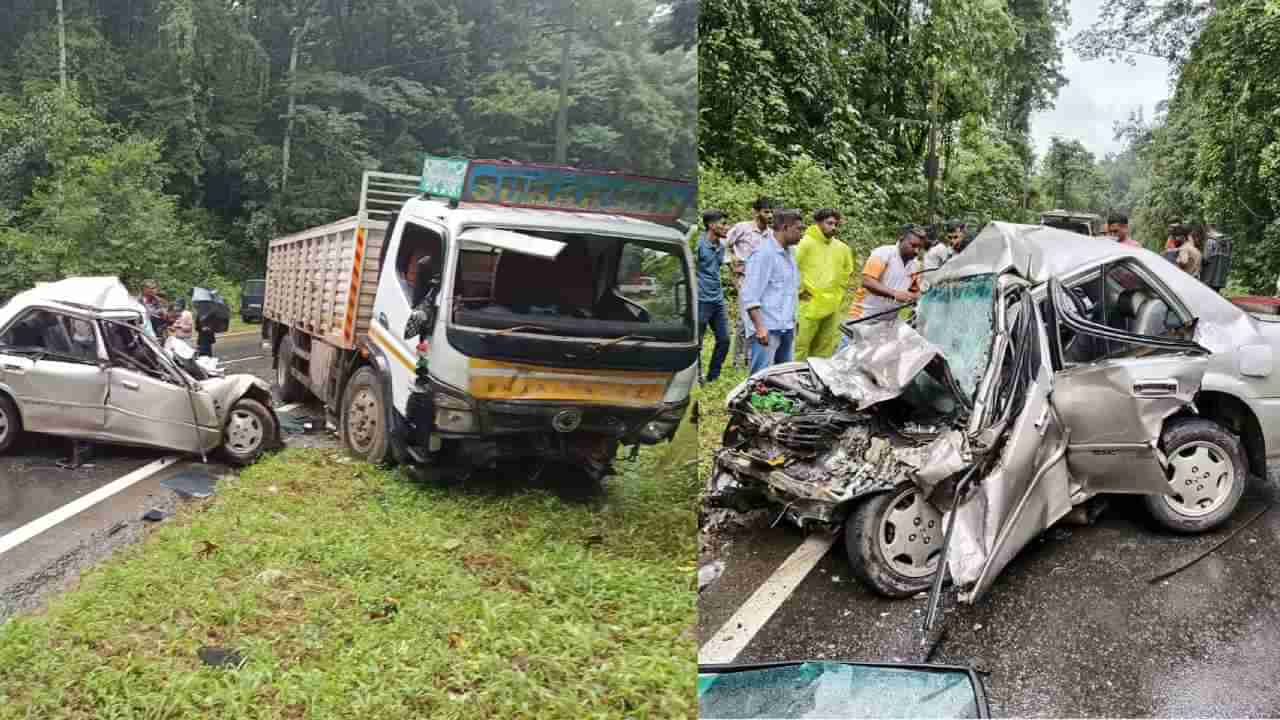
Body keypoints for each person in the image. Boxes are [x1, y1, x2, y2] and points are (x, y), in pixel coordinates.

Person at [741, 209, 803, 375]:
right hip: (767, 328)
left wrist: (794, 319)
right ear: (784, 227)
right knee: (761, 378)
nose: (801, 234)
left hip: (786, 327)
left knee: (784, 377)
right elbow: (749, 295)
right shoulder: (763, 254)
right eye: (798, 229)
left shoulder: (790, 253)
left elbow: (790, 290)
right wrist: (760, 327)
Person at [794, 208, 854, 361]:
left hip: (832, 306)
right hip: (808, 305)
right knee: (800, 347)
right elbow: (792, 267)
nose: (833, 227)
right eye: (829, 223)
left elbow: (847, 271)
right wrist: (800, 290)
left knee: (824, 349)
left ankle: (816, 380)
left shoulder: (842, 248)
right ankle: (791, 379)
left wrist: (839, 292)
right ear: (818, 223)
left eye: (835, 224)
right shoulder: (804, 243)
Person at [726, 197, 776, 367]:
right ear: (756, 212)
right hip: (744, 279)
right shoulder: (742, 228)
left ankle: (751, 357)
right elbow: (723, 242)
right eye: (766, 211)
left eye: (771, 212)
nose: (770, 215)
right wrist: (732, 263)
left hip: (763, 282)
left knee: (759, 319)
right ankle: (738, 361)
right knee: (743, 319)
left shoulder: (770, 234)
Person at [847, 224, 926, 325]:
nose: (916, 251)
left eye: (920, 248)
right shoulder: (883, 253)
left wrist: (915, 296)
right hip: (862, 316)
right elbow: (867, 281)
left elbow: (913, 289)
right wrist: (895, 294)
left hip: (887, 322)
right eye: (913, 245)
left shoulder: (915, 265)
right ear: (901, 238)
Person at [696, 209, 732, 383]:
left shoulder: (722, 246)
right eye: (723, 224)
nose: (727, 227)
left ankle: (713, 377)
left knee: (724, 340)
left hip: (717, 300)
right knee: (697, 344)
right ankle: (697, 377)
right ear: (711, 225)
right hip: (701, 300)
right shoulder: (698, 244)